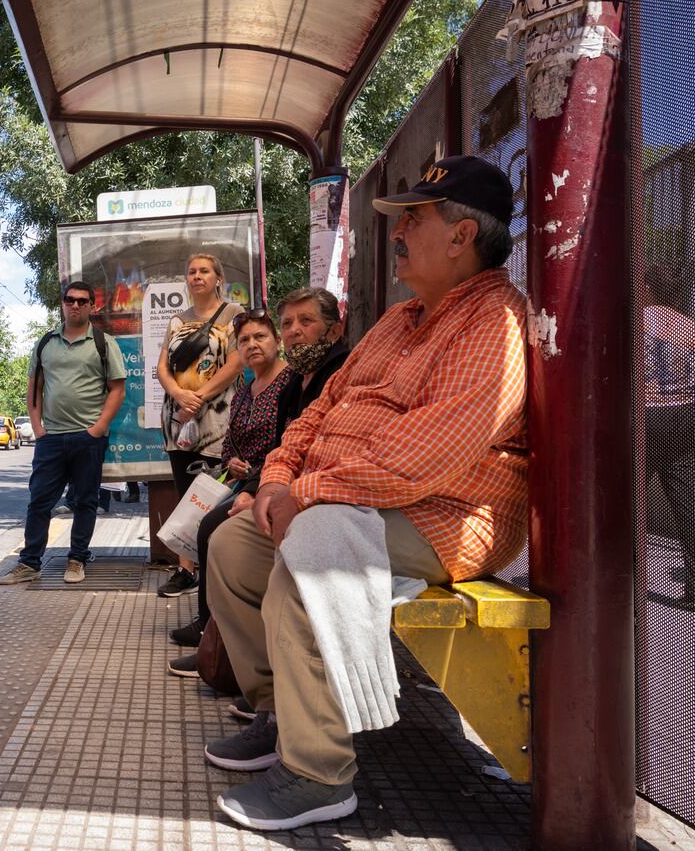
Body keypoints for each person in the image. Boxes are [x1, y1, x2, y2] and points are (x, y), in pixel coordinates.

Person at [205, 155, 528, 831]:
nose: (400, 231)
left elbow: (429, 455)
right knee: (233, 546)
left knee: (312, 556)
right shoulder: (397, 320)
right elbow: (319, 412)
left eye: (414, 217)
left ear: (462, 235)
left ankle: (318, 774)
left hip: (443, 514)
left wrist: (308, 492)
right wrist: (276, 480)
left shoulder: (493, 321)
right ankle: (281, 715)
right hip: (351, 498)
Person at [167, 288, 350, 666]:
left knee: (217, 526)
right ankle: (219, 638)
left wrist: (254, 480)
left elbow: (289, 446)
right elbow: (233, 442)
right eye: (245, 340)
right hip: (255, 480)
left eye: (261, 336)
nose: (252, 345)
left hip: (298, 490)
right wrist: (237, 469)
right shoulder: (248, 391)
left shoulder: (310, 378)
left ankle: (221, 645)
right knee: (206, 520)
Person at [0, 281, 127, 585]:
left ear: (92, 306)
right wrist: (38, 427)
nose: (76, 305)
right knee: (40, 501)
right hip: (51, 438)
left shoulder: (104, 343)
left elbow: (117, 390)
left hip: (88, 438)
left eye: (83, 301)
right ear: (63, 304)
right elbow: (35, 389)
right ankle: (29, 562)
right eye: (70, 300)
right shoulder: (45, 343)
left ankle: (77, 559)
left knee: (84, 501)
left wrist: (98, 428)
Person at [156, 253, 245, 596]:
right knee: (185, 494)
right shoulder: (177, 320)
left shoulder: (234, 315)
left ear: (218, 278)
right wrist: (180, 395)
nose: (197, 276)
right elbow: (162, 367)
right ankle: (185, 569)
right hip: (179, 418)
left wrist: (200, 397)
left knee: (213, 494)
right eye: (191, 271)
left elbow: (236, 363)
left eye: (204, 271)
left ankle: (213, 566)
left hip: (217, 418)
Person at [643, 265, 695, 612]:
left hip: (650, 414)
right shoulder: (694, 328)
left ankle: (613, 576)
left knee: (622, 500)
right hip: (694, 413)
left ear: (648, 288)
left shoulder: (638, 321)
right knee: (694, 503)